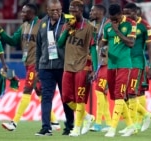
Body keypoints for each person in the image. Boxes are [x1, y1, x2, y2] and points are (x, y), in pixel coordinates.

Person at [0, 3, 61, 131]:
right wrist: (0, 29)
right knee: (40, 93)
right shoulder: (23, 26)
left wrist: (47, 65)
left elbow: (51, 44)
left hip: (38, 64)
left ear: (32, 13)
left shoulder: (43, 25)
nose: (21, 14)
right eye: (22, 12)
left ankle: (14, 123)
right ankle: (55, 122)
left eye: (24, 12)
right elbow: (12, 41)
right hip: (28, 64)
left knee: (27, 90)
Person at [57, 0, 97, 136]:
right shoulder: (67, 25)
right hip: (68, 65)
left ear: (81, 11)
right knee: (66, 98)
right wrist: (67, 30)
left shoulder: (89, 27)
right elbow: (60, 44)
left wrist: (94, 69)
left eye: (74, 10)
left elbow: (93, 49)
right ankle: (87, 117)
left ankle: (76, 128)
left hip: (83, 66)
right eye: (70, 10)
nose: (72, 12)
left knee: (80, 98)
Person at [35, 0, 74, 136]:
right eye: (53, 10)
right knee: (46, 97)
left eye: (58, 9)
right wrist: (36, 68)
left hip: (63, 66)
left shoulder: (69, 22)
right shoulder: (42, 23)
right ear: (47, 10)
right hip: (45, 66)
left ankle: (70, 126)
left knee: (66, 97)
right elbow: (38, 47)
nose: (56, 12)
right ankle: (46, 127)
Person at [100, 3, 137, 137]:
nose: (113, 21)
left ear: (121, 14)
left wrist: (117, 31)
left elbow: (131, 43)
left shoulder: (131, 24)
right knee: (115, 97)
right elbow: (102, 43)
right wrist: (102, 50)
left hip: (124, 64)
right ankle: (131, 126)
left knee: (120, 95)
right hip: (111, 65)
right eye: (111, 18)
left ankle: (112, 128)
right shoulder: (107, 25)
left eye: (115, 18)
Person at [120, 3, 151, 133]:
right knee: (124, 95)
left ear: (136, 12)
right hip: (124, 62)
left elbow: (150, 47)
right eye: (125, 13)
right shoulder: (123, 24)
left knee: (135, 92)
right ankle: (145, 116)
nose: (127, 15)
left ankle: (135, 124)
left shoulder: (145, 26)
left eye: (129, 13)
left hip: (137, 63)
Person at [88, 4, 112, 133]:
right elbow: (93, 48)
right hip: (100, 64)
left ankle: (98, 123)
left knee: (99, 91)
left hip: (109, 63)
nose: (90, 12)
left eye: (93, 10)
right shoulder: (93, 27)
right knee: (102, 93)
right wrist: (94, 67)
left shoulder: (109, 25)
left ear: (100, 12)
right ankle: (108, 123)